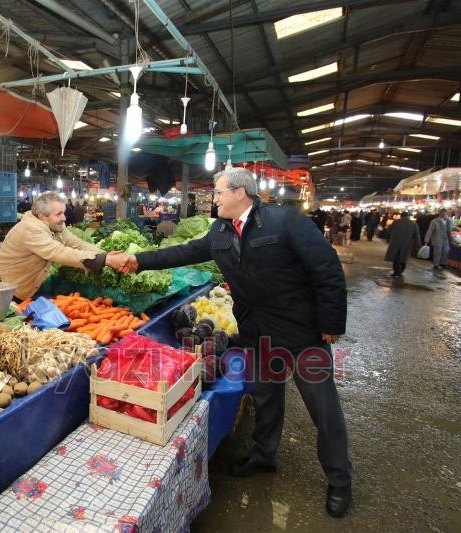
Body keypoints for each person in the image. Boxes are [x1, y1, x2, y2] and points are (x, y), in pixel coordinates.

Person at [110, 167, 352, 518]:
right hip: (257, 331)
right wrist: (139, 260)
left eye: (220, 192)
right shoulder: (221, 230)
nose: (215, 197)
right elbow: (184, 253)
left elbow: (327, 268)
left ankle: (340, 481)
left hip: (301, 333)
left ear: (241, 193)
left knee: (324, 410)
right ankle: (263, 455)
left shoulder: (284, 222)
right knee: (266, 397)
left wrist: (330, 323)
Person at [0, 192, 123, 301]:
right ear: (42, 216)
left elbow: (76, 243)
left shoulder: (55, 225)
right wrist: (105, 260)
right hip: (5, 286)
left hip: (26, 285)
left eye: (64, 212)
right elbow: (60, 252)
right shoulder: (31, 229)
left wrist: (105, 255)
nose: (64, 218)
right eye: (58, 214)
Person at [384, 211, 421, 278]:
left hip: (395, 242)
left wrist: (388, 237)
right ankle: (400, 271)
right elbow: (417, 235)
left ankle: (396, 272)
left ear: (401, 216)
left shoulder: (396, 222)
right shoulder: (413, 224)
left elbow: (389, 230)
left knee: (396, 257)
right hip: (407, 243)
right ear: (408, 216)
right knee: (403, 258)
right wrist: (418, 244)